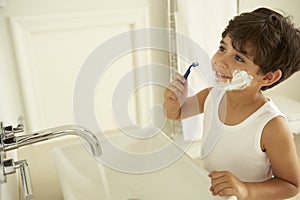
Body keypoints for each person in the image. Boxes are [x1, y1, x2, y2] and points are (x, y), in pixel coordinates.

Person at [163, 7, 300, 199]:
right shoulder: (213, 95)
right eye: (222, 48)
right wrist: (173, 101)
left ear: (268, 77)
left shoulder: (271, 126)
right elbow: (176, 113)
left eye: (238, 58)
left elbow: (290, 185)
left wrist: (245, 189)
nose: (220, 61)